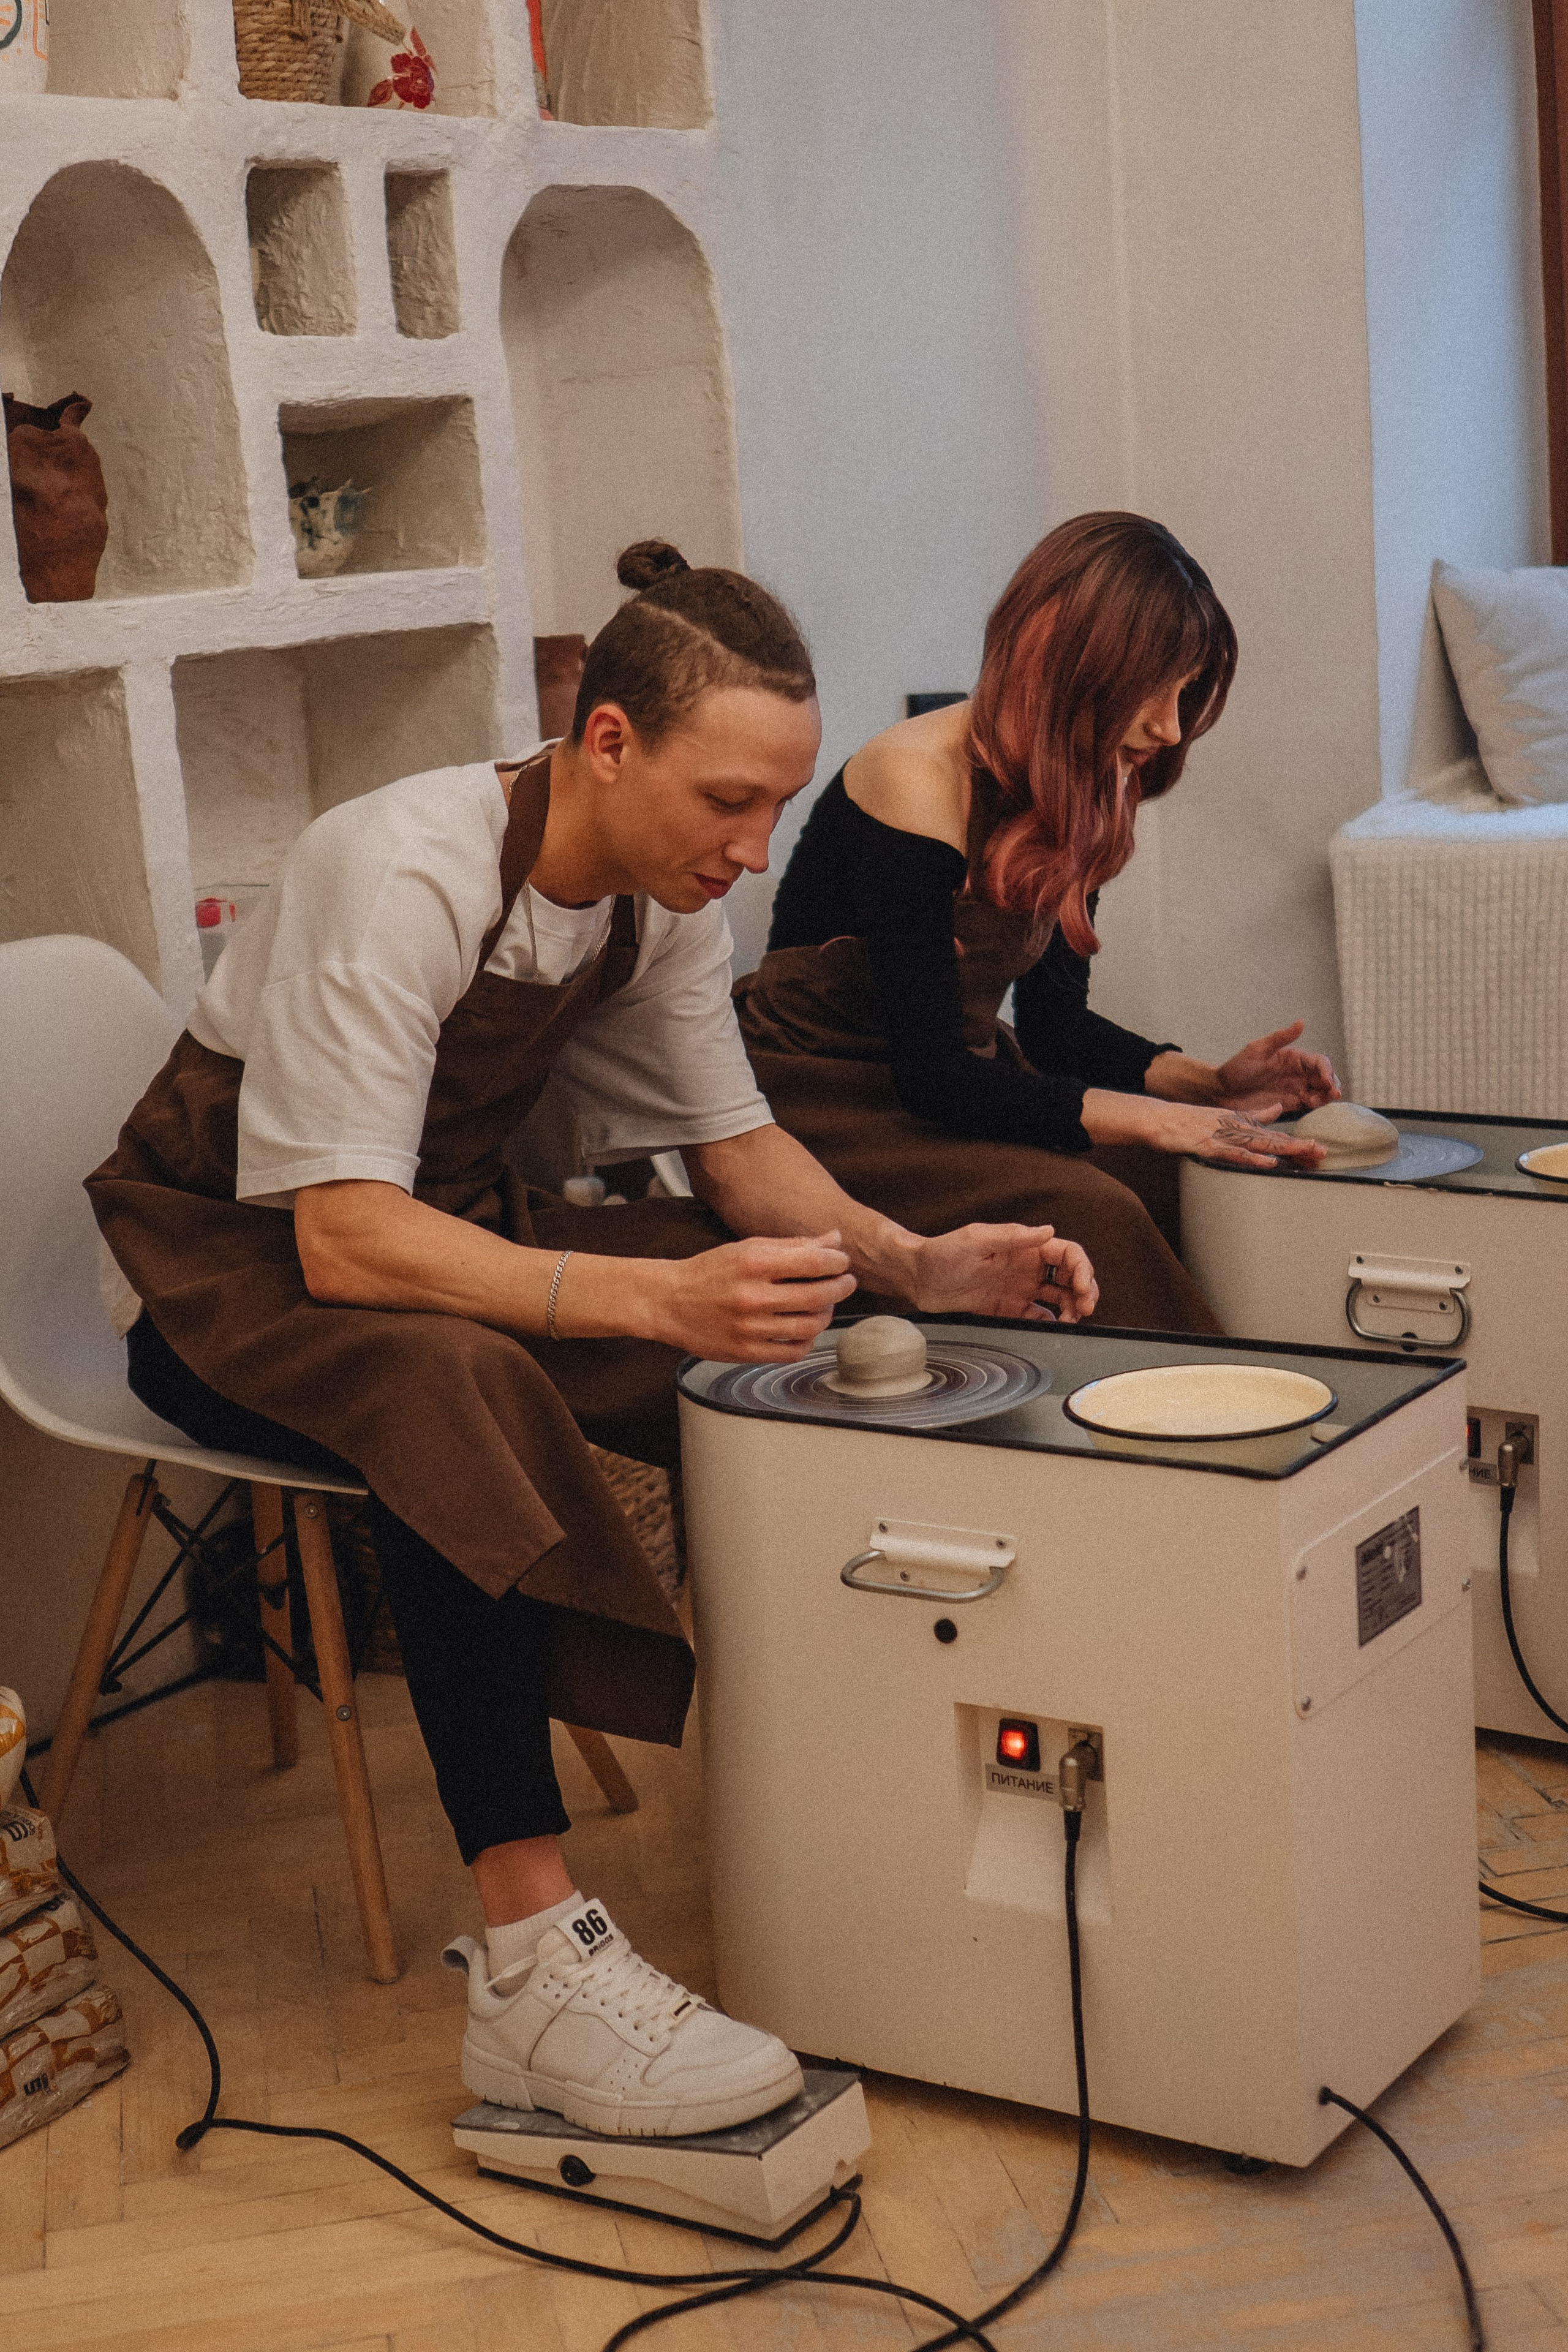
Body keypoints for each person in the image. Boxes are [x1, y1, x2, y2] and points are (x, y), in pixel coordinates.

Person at [87, 541, 1097, 2142]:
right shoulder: (398, 868)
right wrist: (647, 1299)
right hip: (225, 1274)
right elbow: (342, 1239)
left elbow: (737, 1151)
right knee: (454, 1385)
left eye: (779, 807)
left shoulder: (656, 900)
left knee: (796, 1327)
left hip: (452, 1230)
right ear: (608, 741)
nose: (759, 853)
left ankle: (844, 1784)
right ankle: (531, 1971)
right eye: (729, 804)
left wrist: (914, 1264)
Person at [735, 510, 1341, 1334]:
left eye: (1184, 692)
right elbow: (934, 1078)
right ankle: (1192, 1433)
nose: (1168, 727)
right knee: (1096, 1206)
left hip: (960, 1088)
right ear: (1073, 669)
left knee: (1187, 1178)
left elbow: (1054, 1031)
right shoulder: (914, 779)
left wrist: (1209, 1088)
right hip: (824, 1100)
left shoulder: (1088, 787)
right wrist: (1153, 1118)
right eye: (1154, 689)